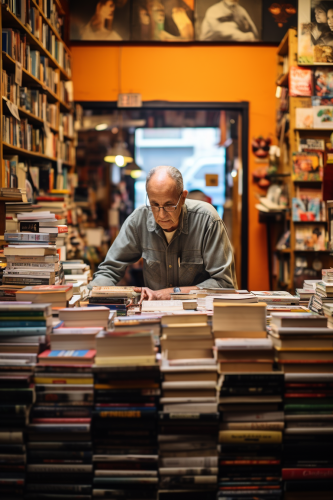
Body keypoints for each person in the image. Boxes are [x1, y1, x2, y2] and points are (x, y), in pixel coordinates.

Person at [89, 166, 237, 300]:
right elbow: (109, 270)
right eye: (154, 205)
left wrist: (172, 292)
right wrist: (90, 293)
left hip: (198, 313)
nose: (161, 215)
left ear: (183, 198)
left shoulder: (207, 220)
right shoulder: (138, 220)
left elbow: (224, 283)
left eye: (169, 205)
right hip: (155, 313)